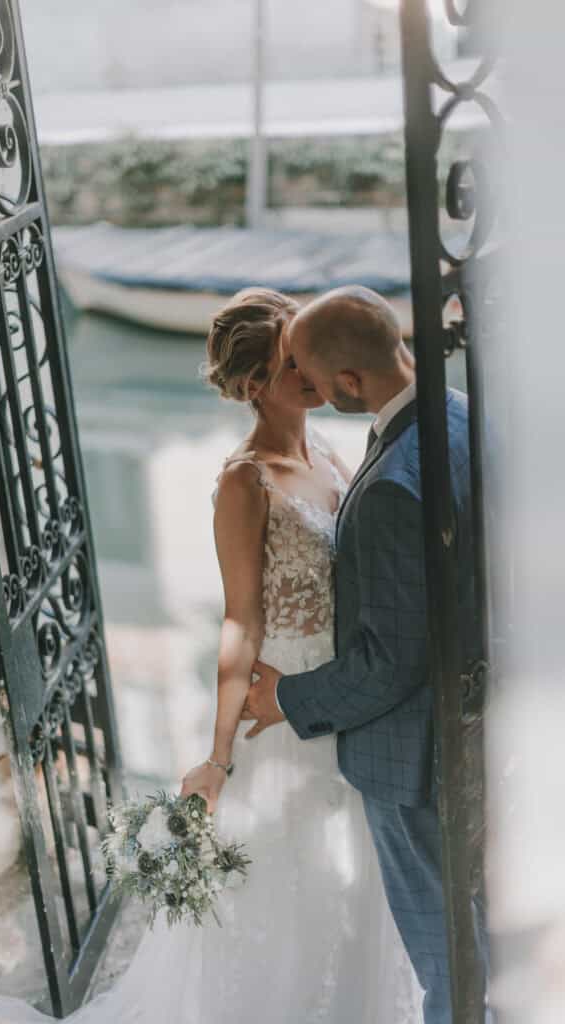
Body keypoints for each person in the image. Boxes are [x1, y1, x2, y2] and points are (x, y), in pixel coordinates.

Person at [0, 287, 421, 1023]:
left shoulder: (328, 449)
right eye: (291, 362)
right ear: (255, 383)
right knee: (286, 893)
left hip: (344, 695)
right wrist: (217, 756)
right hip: (280, 714)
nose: (310, 371)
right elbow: (239, 624)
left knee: (355, 881)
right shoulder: (243, 481)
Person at [244, 285, 481, 1024]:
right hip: (474, 721)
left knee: (444, 950)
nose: (308, 391)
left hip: (411, 756)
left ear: (348, 380)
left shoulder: (390, 487)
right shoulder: (458, 414)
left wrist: (284, 698)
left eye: (313, 377)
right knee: (476, 932)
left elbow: (390, 661)